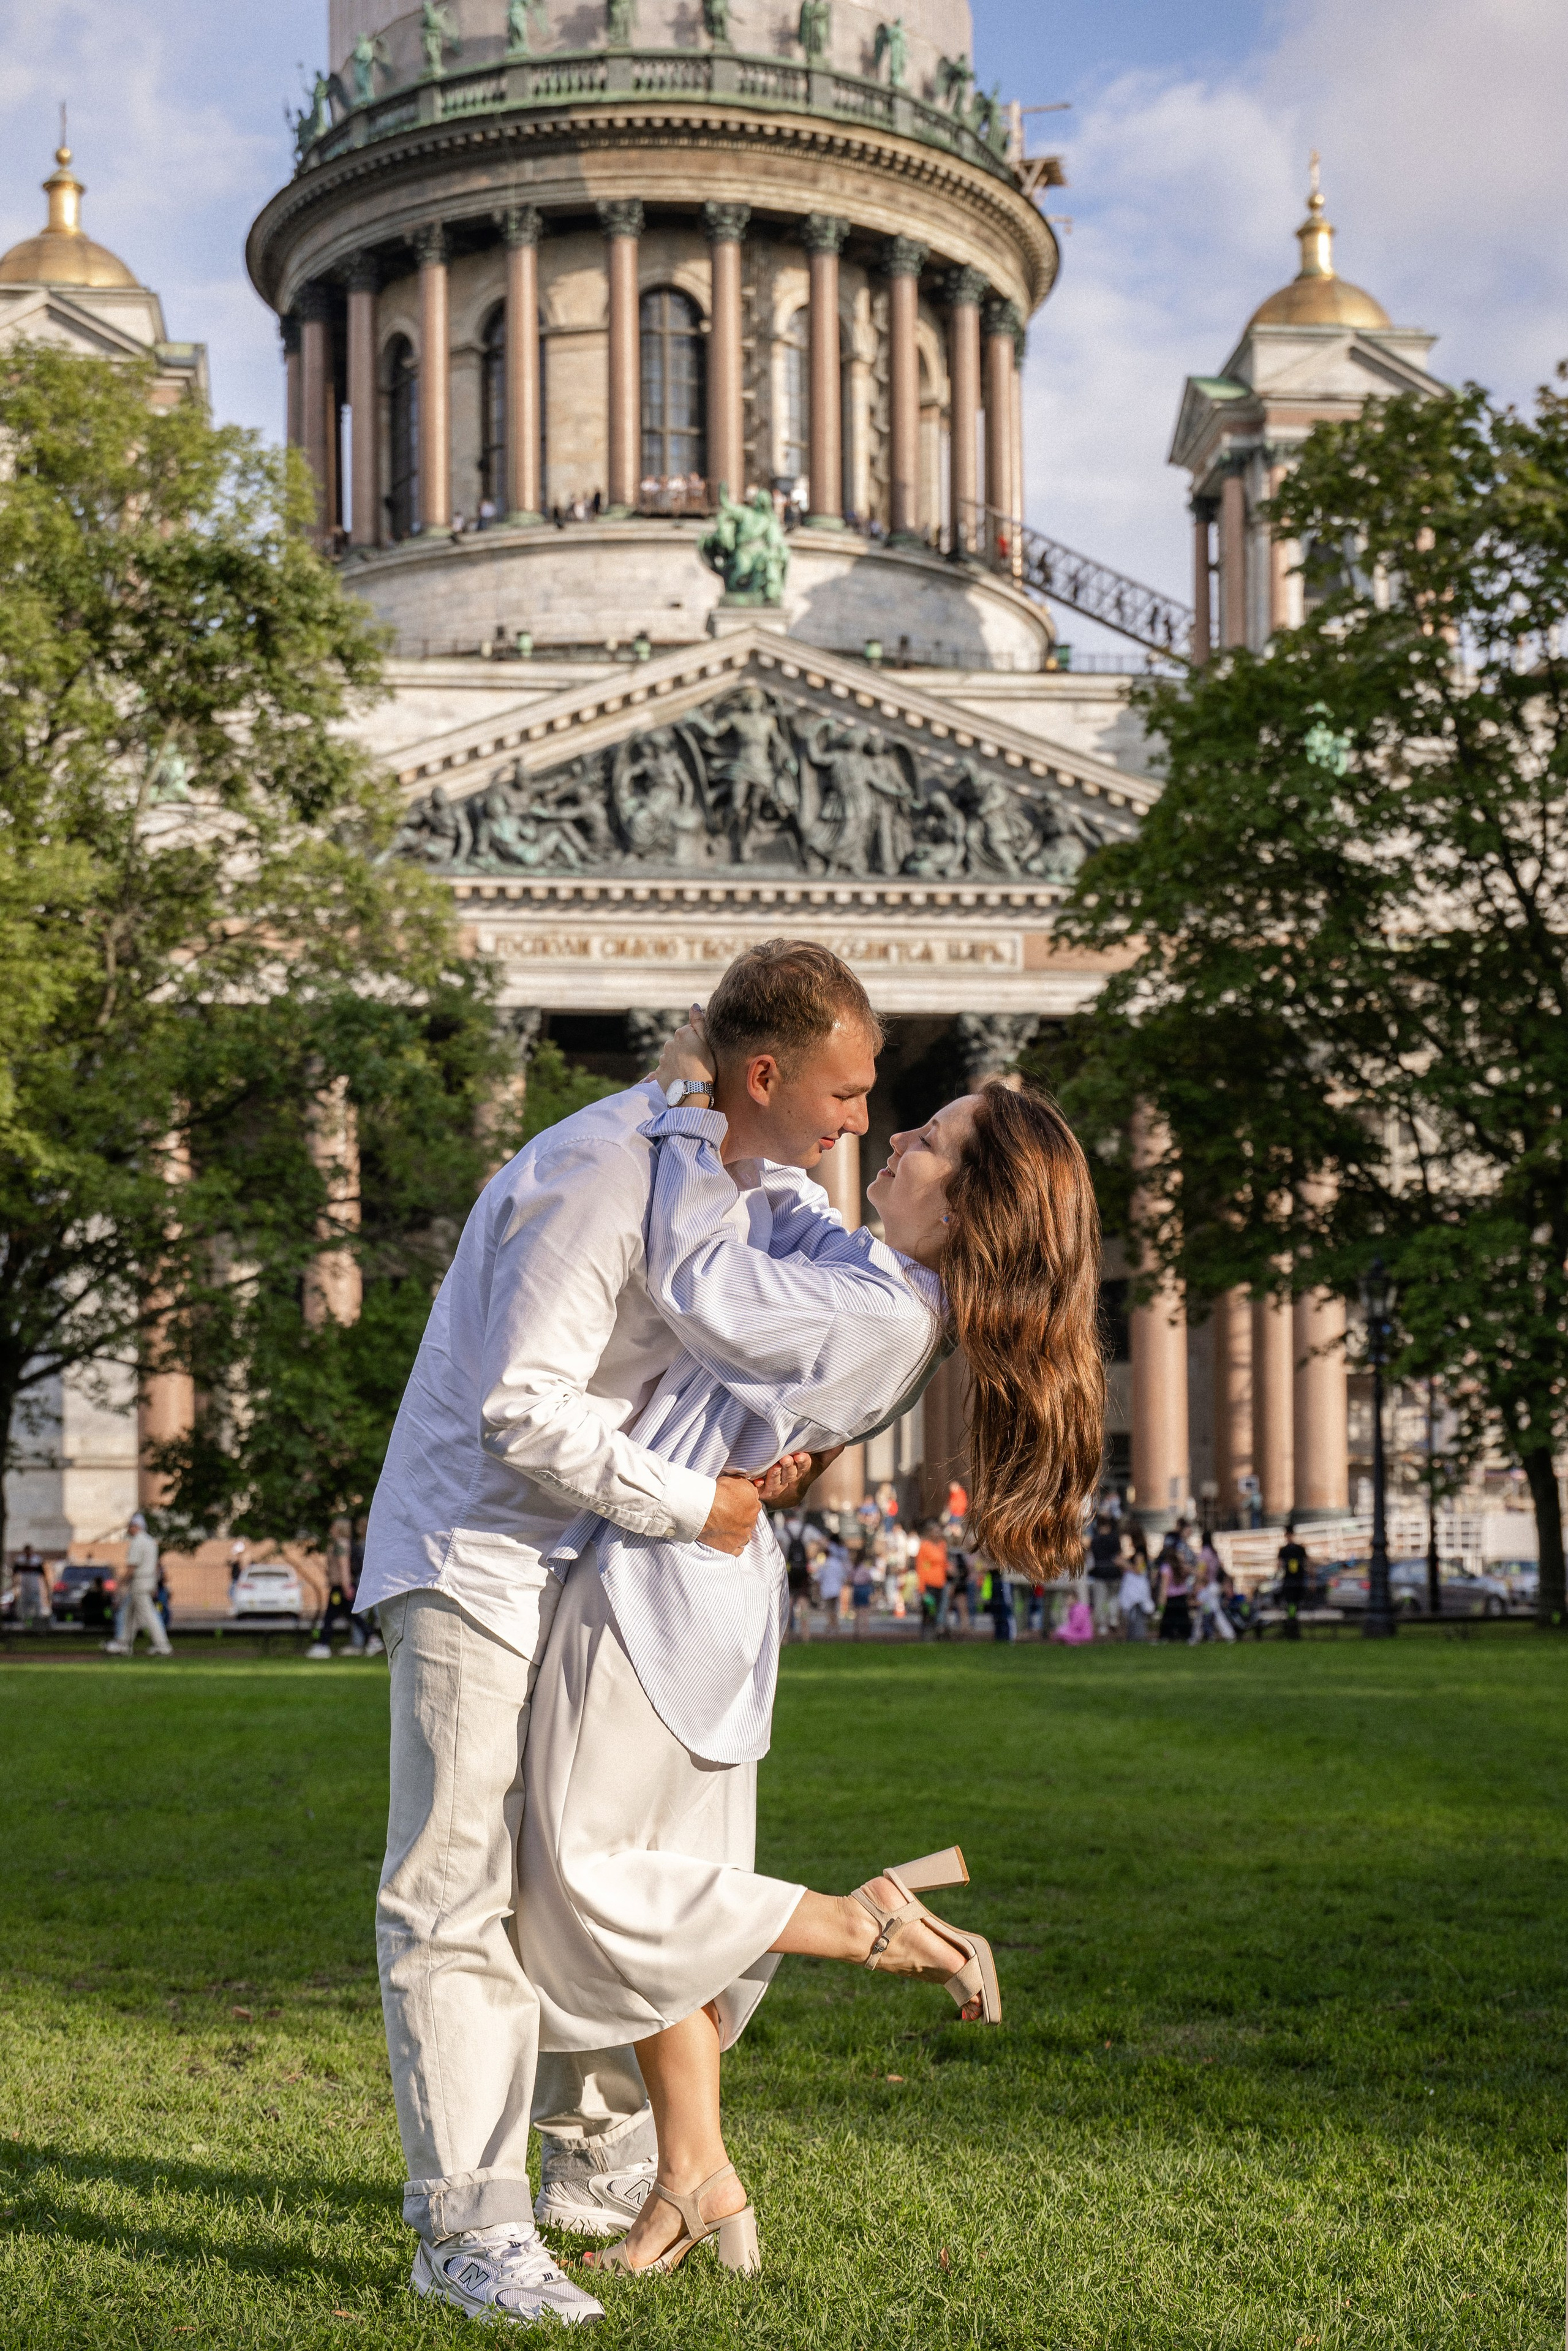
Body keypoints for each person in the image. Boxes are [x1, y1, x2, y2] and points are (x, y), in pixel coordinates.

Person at [518, 1028, 1105, 2280]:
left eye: (929, 1140)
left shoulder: (873, 1310)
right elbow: (780, 1208)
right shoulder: (882, 1289)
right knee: (667, 1881)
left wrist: (684, 1108)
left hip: (654, 1584)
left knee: (582, 1876)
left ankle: (867, 1920)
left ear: (972, 1204)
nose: (892, 1136)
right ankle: (691, 2175)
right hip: (698, 1588)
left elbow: (692, 1273)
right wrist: (767, 1110)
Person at [353, 942, 879, 2326]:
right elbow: (519, 1411)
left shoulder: (739, 1177)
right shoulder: (592, 1171)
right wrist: (694, 1504)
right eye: (843, 1090)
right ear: (761, 1074)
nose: (856, 1121)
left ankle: (595, 2168)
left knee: (592, 1874)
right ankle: (464, 2231)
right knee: (454, 1893)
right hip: (474, 1558)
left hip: (594, 1564)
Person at [106, 1513, 173, 1658]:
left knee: (149, 1615)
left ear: (136, 1526)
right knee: (128, 1613)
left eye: (130, 1526)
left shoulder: (138, 1542)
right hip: (148, 1582)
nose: (129, 1529)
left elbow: (132, 1567)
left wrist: (120, 1583)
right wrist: (154, 1585)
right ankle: (123, 1643)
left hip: (140, 1583)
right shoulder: (150, 1542)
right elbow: (156, 1566)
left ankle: (162, 1645)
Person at [1087, 1509, 1122, 1636]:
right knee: (1113, 1598)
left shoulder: (1095, 1540)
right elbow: (1118, 1556)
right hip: (1114, 1572)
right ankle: (1113, 1619)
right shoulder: (1115, 1539)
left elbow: (1091, 1557)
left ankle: (1102, 1626)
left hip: (1100, 1573)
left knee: (1100, 1601)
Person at [914, 1519, 948, 1640]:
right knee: (929, 1611)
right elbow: (921, 1568)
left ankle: (937, 1635)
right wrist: (922, 1589)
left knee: (940, 1610)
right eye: (935, 1531)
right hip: (929, 1584)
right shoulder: (925, 1547)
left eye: (939, 1531)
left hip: (941, 1583)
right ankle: (927, 1637)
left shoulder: (942, 1545)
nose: (938, 1534)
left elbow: (944, 1563)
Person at [1156, 1535, 1193, 1643]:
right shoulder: (1180, 1567)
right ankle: (1185, 1636)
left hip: (1171, 1597)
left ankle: (1168, 1637)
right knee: (1183, 1620)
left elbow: (1164, 1587)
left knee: (1169, 1621)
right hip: (1181, 1595)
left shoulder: (1167, 1568)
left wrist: (1161, 1604)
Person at [782, 1516, 812, 1642]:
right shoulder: (807, 1529)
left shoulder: (783, 1531)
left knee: (787, 1605)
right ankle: (806, 1635)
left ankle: (785, 1637)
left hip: (789, 1572)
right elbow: (821, 1543)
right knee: (804, 1604)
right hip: (803, 1573)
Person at [1278, 1522, 1310, 1639]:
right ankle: (1292, 1624)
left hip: (1294, 1581)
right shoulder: (1296, 1550)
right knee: (1292, 1605)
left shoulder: (1290, 1550)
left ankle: (1292, 1624)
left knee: (1293, 1605)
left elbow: (1307, 1565)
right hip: (1293, 1581)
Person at [816, 1534, 847, 1634]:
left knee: (829, 1609)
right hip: (836, 1588)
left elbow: (819, 1578)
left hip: (827, 1589)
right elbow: (842, 1576)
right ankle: (835, 1626)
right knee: (835, 1608)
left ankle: (831, 1625)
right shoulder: (838, 1563)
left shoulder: (824, 1564)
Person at [1118, 1552, 1153, 1640]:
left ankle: (1139, 1636)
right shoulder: (1128, 1571)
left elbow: (1138, 1571)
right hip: (1131, 1598)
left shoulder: (1144, 1567)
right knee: (1130, 1619)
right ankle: (1131, 1636)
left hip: (1140, 1599)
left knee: (1139, 1619)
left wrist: (1125, 1564)